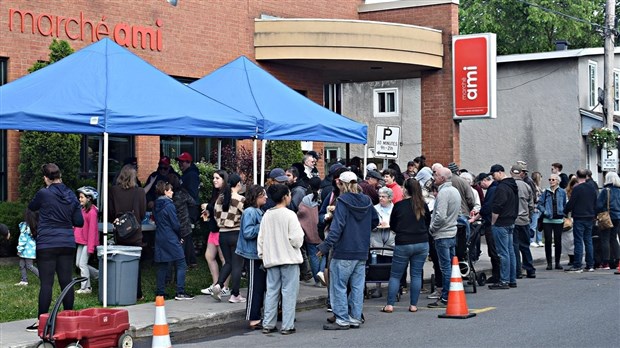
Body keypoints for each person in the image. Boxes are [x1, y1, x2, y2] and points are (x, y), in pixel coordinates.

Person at [318, 171, 379, 330]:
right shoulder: (366, 200)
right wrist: (363, 231)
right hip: (361, 249)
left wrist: (325, 246)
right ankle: (355, 317)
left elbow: (337, 228)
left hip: (344, 249)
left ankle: (342, 319)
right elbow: (375, 220)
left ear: (340, 184)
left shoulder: (342, 201)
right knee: (357, 287)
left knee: (339, 285)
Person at [27, 163, 84, 332]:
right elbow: (79, 222)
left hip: (47, 243)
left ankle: (41, 321)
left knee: (47, 283)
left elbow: (32, 207)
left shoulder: (44, 193)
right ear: (60, 176)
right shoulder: (71, 195)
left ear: (46, 178)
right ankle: (69, 319)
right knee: (66, 282)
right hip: (67, 242)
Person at [258, 184, 304, 335]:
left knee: (272, 292)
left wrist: (262, 255)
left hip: (271, 259)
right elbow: (297, 240)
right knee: (289, 293)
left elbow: (261, 239)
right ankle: (287, 325)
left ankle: (268, 324)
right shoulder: (290, 214)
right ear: (285, 197)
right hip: (289, 258)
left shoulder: (267, 215)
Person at [382, 178, 430, 313]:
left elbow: (394, 224)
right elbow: (428, 223)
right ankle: (413, 305)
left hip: (403, 242)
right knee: (415, 275)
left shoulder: (399, 206)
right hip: (421, 242)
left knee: (396, 275)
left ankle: (390, 304)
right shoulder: (422, 205)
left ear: (405, 189)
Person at [109, 164, 146, 301]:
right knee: (136, 264)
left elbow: (110, 213)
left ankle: (121, 289)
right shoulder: (140, 192)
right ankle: (138, 293)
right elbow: (142, 213)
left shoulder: (113, 191)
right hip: (135, 232)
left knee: (120, 261)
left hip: (120, 231)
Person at [153, 181, 194, 300]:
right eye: (170, 190)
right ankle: (180, 291)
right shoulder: (169, 205)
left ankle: (160, 292)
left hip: (160, 236)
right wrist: (180, 236)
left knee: (163, 265)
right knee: (181, 263)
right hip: (170, 237)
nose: (172, 192)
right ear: (165, 191)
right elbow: (175, 224)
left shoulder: (156, 204)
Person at [210, 173, 246, 303]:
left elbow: (214, 215)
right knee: (237, 264)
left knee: (228, 262)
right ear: (238, 184)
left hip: (222, 234)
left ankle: (219, 285)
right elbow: (246, 215)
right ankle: (235, 294)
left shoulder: (220, 198)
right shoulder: (240, 199)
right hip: (235, 233)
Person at [235, 185, 267, 330]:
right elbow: (248, 232)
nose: (266, 197)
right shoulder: (250, 212)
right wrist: (262, 225)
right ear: (256, 197)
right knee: (254, 287)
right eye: (263, 195)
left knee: (261, 286)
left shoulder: (259, 211)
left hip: (259, 253)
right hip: (252, 254)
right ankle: (253, 317)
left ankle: (258, 314)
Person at [427, 167, 460, 307]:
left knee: (445, 268)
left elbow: (440, 215)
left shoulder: (444, 193)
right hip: (452, 232)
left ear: (443, 178)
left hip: (443, 234)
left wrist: (432, 228)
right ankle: (451, 294)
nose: (434, 177)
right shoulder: (454, 191)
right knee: (451, 267)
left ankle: (446, 297)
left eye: (436, 174)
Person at [487, 164, 519, 290]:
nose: (493, 177)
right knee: (510, 252)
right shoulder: (512, 185)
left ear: (500, 172)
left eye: (493, 174)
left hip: (501, 223)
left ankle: (504, 280)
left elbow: (497, 206)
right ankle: (512, 279)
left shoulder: (502, 187)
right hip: (511, 221)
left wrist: (493, 222)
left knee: (503, 253)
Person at [200, 170, 230, 298]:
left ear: (224, 179)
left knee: (224, 258)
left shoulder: (226, 194)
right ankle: (216, 284)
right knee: (209, 256)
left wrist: (209, 207)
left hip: (222, 229)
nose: (214, 180)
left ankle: (225, 287)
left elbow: (223, 210)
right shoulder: (216, 193)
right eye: (213, 178)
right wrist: (207, 212)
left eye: (217, 178)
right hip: (213, 229)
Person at [564, 169, 598, 272]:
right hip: (590, 216)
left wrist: (565, 211)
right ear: (586, 176)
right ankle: (590, 264)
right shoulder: (592, 188)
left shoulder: (577, 189)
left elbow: (572, 202)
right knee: (588, 240)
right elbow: (595, 202)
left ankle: (577, 264)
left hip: (579, 216)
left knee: (578, 241)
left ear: (577, 177)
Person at [297, 177, 326, 286]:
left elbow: (300, 213)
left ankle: (317, 280)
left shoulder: (306, 199)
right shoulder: (325, 196)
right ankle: (322, 273)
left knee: (313, 256)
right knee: (325, 254)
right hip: (323, 231)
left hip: (310, 232)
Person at [510, 166, 536, 279]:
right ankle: (530, 269)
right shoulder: (526, 186)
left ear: (511, 173)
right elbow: (531, 204)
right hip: (524, 220)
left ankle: (517, 271)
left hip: (513, 220)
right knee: (525, 246)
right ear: (521, 173)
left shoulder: (509, 185)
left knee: (514, 246)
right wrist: (528, 216)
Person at [369, 186, 395, 298]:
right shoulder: (374, 209)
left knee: (391, 266)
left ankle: (392, 289)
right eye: (379, 196)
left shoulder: (395, 209)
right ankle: (377, 288)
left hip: (390, 241)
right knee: (376, 266)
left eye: (383, 196)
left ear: (390, 198)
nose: (381, 198)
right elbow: (370, 223)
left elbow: (398, 224)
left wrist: (390, 225)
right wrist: (376, 226)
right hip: (377, 241)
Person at [537, 173, 567, 271]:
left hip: (558, 219)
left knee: (558, 241)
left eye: (553, 179)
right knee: (548, 241)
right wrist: (545, 211)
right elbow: (539, 204)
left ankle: (557, 262)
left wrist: (562, 212)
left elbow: (564, 204)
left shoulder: (562, 192)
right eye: (550, 179)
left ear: (558, 181)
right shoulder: (546, 192)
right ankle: (549, 263)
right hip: (547, 220)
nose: (551, 181)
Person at [74, 186, 100, 294]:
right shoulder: (83, 209)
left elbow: (92, 231)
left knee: (82, 264)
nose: (80, 199)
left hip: (87, 242)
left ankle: (86, 288)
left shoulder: (92, 212)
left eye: (82, 197)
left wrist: (90, 248)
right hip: (81, 241)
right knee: (78, 264)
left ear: (89, 198)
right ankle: (98, 274)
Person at [167, 174, 197, 268]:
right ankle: (190, 262)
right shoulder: (183, 194)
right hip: (184, 223)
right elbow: (193, 202)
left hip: (172, 224)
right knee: (187, 244)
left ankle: (175, 264)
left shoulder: (168, 196)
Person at [596, 172, 620, 270]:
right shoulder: (619, 190)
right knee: (614, 238)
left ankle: (606, 262)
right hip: (618, 217)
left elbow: (599, 205)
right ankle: (617, 260)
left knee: (605, 239)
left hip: (607, 217)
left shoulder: (605, 190)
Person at [16, 209, 39, 286]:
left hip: (25, 251)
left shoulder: (25, 227)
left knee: (29, 266)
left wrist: (19, 249)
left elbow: (23, 239)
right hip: (29, 251)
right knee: (22, 264)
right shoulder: (33, 226)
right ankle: (24, 280)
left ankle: (43, 277)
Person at [530, 171, 545, 247]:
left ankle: (539, 240)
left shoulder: (538, 187)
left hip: (539, 209)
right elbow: (536, 198)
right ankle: (531, 240)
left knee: (539, 226)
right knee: (533, 225)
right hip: (535, 209)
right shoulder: (534, 187)